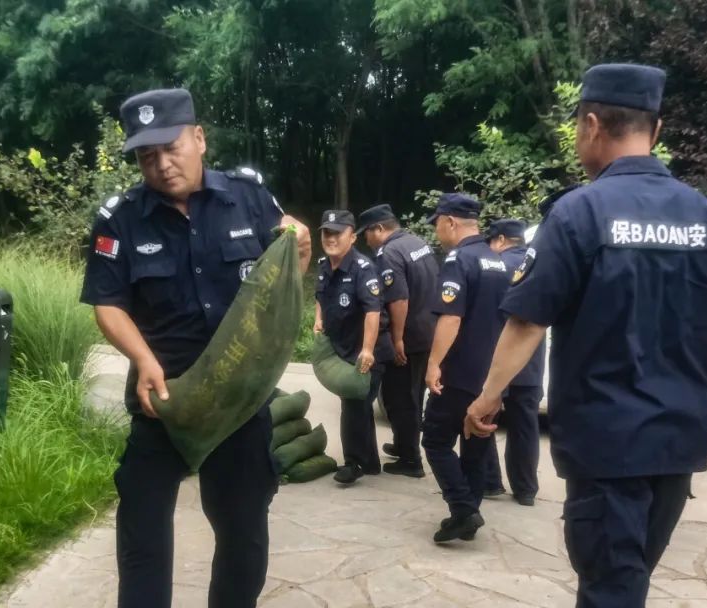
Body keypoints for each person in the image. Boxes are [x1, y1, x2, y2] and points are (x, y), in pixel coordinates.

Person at [464, 64, 707, 608]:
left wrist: (488, 397)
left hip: (607, 447)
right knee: (626, 580)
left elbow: (528, 321)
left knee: (610, 589)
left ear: (592, 125)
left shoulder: (578, 214)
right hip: (676, 447)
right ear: (657, 130)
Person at [79, 88, 311, 608]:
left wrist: (303, 247)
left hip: (239, 403)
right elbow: (108, 304)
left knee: (243, 529)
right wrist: (143, 360)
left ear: (199, 139)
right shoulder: (120, 219)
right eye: (146, 156)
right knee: (142, 528)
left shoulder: (249, 196)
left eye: (171, 148)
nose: (162, 165)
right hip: (164, 399)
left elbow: (286, 275)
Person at [421, 193, 513, 543]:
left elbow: (451, 318)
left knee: (435, 441)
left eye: (437, 224)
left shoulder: (459, 260)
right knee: (475, 445)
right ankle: (469, 515)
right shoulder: (498, 261)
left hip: (459, 374)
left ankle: (462, 509)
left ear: (450, 222)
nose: (437, 231)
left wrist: (433, 364)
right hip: (492, 376)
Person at [357, 203, 439, 478]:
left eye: (367, 233)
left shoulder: (389, 253)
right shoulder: (417, 243)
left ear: (379, 228)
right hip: (428, 330)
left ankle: (410, 460)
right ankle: (404, 444)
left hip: (409, 336)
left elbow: (399, 299)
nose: (366, 240)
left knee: (399, 398)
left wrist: (398, 339)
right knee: (414, 393)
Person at [314, 209, 394, 484]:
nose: (331, 238)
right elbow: (319, 297)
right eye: (327, 233)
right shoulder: (324, 265)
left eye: (337, 233)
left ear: (352, 237)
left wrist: (367, 350)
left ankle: (354, 463)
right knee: (357, 404)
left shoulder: (363, 268)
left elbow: (373, 311)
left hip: (368, 351)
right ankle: (369, 462)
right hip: (342, 348)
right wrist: (318, 320)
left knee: (353, 404)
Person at [481, 219, 546, 506]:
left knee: (485, 418)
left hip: (497, 359)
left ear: (500, 240)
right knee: (525, 426)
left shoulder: (494, 267)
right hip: (530, 362)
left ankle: (490, 482)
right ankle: (526, 489)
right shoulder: (538, 265)